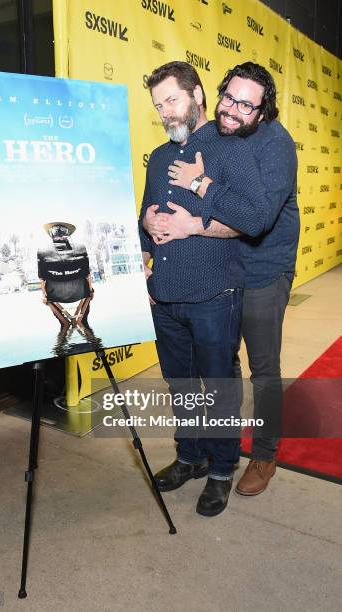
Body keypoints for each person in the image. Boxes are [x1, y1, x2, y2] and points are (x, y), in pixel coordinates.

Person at [144, 62, 299, 497]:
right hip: (222, 270)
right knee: (220, 372)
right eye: (229, 98)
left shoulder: (274, 144)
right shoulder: (210, 139)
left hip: (264, 268)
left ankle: (264, 454)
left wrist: (201, 190)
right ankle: (210, 451)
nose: (233, 110)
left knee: (263, 368)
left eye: (246, 104)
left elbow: (258, 219)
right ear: (216, 95)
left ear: (263, 110)